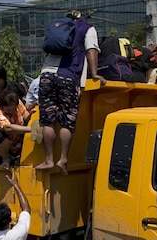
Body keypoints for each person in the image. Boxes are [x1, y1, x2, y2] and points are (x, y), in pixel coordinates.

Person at [37, 10, 106, 175]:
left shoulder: (56, 29)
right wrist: (95, 73)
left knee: (48, 121)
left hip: (46, 74)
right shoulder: (87, 28)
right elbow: (91, 50)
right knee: (67, 120)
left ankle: (48, 159)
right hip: (68, 76)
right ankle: (63, 159)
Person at [0, 84, 32, 168]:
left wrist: (31, 113)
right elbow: (8, 128)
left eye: (14, 109)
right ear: (2, 107)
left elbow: (25, 117)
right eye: (9, 110)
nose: (12, 112)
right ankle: (6, 158)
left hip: (15, 142)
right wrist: (31, 129)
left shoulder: (18, 103)